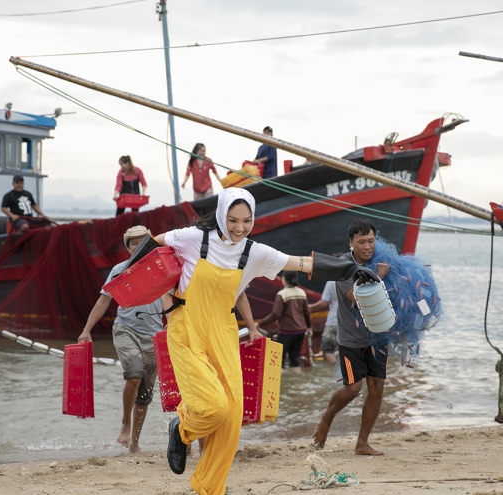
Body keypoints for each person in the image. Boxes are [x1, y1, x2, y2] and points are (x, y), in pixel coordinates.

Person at [136, 187, 377, 495]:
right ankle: (183, 429)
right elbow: (153, 248)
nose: (239, 228)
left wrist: (353, 269)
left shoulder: (254, 253)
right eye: (232, 220)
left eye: (246, 221)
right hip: (186, 329)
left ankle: (210, 487)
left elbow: (302, 263)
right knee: (213, 406)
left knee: (232, 414)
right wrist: (165, 297)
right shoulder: (194, 238)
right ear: (222, 215)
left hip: (222, 331)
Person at [78, 225, 172, 453]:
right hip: (125, 328)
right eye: (133, 243)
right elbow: (103, 301)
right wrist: (86, 330)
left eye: (143, 242)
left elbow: (171, 303)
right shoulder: (120, 270)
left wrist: (173, 329)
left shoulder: (162, 269)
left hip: (153, 335)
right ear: (128, 248)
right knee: (134, 375)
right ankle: (125, 423)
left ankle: (135, 443)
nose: (138, 246)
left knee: (146, 393)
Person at [312, 219, 390, 456]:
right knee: (353, 388)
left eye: (371, 241)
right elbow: (357, 297)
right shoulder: (343, 265)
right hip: (351, 339)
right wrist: (379, 275)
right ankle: (327, 417)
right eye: (362, 242)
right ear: (351, 243)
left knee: (376, 387)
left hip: (378, 337)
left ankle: (362, 443)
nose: (368, 246)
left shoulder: (383, 257)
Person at [257, 271, 311, 373]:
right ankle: (296, 384)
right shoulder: (302, 292)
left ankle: (282, 385)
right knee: (294, 360)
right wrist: (309, 327)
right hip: (301, 331)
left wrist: (259, 324)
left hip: (287, 331)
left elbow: (275, 314)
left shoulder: (282, 294)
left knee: (279, 360)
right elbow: (306, 313)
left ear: (284, 279)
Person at [307, 279, 340, 364]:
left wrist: (311, 307)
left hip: (333, 322)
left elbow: (324, 302)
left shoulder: (332, 282)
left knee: (327, 350)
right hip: (351, 323)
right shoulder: (352, 280)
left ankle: (337, 372)